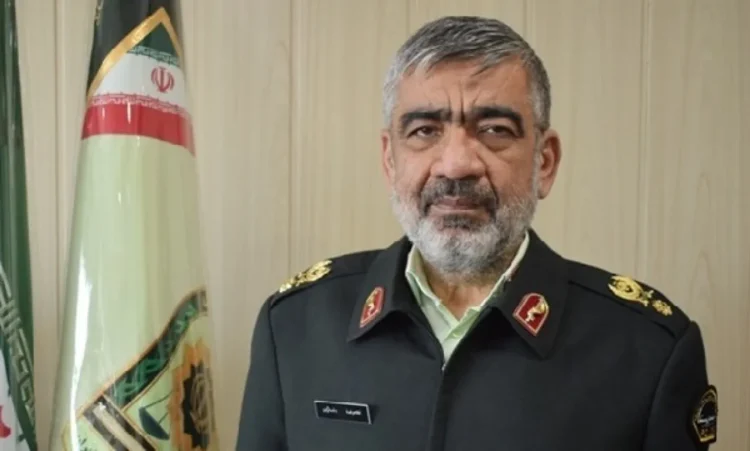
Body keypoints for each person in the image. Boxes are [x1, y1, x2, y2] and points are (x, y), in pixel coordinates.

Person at [235, 16, 717, 451]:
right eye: (424, 131)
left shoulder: (649, 350)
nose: (456, 164)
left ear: (544, 162)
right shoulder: (294, 327)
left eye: (495, 130)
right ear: (389, 160)